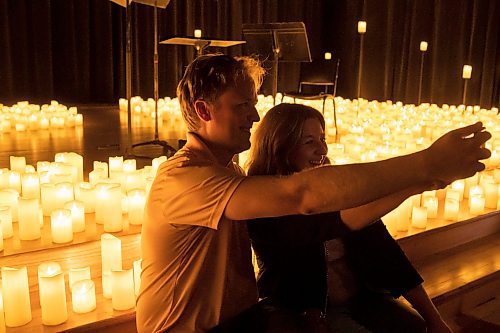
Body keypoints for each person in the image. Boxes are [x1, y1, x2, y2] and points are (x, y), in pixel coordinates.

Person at [136, 53, 491, 333]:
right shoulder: (185, 179)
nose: (255, 115)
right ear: (203, 110)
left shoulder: (229, 171)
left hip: (241, 321)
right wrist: (425, 163)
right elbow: (301, 198)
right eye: (242, 105)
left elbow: (330, 222)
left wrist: (417, 183)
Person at [247, 103, 454, 333]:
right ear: (280, 147)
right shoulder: (265, 200)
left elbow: (389, 255)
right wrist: (413, 183)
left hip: (362, 298)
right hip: (301, 311)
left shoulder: (338, 192)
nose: (322, 149)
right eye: (309, 142)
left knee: (415, 327)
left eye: (322, 138)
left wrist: (434, 319)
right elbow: (318, 225)